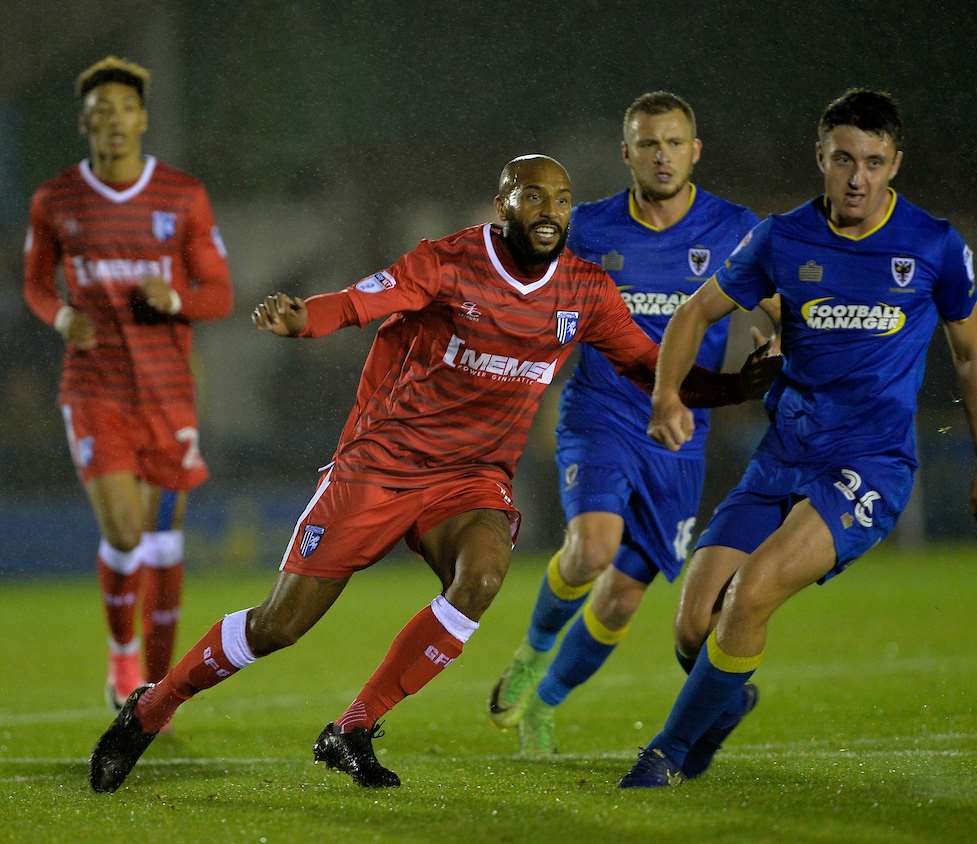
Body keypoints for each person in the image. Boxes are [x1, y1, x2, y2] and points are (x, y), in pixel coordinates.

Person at [88, 154, 779, 793]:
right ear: (501, 204)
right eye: (532, 195)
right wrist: (305, 320)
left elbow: (649, 371)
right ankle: (151, 708)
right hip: (384, 464)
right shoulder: (448, 261)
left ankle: (353, 726)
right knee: (280, 625)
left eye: (562, 200)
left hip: (472, 479)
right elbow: (362, 300)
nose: (550, 210)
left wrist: (733, 388)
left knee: (480, 575)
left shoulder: (585, 288)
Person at [618, 89, 977, 788]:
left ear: (895, 164)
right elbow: (693, 312)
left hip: (869, 466)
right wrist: (665, 397)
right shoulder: (782, 237)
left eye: (873, 162)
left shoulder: (933, 244)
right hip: (783, 456)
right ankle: (725, 698)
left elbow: (973, 356)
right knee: (691, 625)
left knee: (753, 592)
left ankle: (667, 756)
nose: (857, 177)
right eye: (842, 160)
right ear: (821, 159)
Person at [488, 92, 764, 755]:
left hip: (680, 433)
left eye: (673, 143)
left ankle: (543, 705)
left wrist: (778, 347)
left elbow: (773, 300)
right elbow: (524, 290)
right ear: (627, 155)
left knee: (620, 601)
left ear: (694, 151)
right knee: (591, 549)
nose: (661, 156)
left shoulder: (736, 228)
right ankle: (531, 651)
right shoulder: (587, 227)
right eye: (648, 144)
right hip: (601, 411)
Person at [22, 56, 232, 710]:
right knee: (123, 533)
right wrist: (59, 315)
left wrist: (174, 299)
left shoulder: (182, 196)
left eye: (124, 109)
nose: (113, 121)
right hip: (95, 390)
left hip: (168, 393)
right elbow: (33, 281)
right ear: (84, 124)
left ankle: (156, 690)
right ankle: (122, 658)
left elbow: (219, 295)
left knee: (165, 541)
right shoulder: (57, 200)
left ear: (143, 118)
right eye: (100, 112)